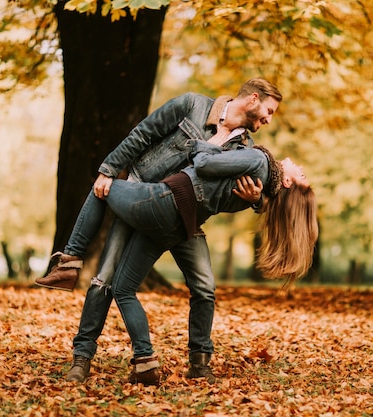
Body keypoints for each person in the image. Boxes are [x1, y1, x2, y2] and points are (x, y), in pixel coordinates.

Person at [35, 79, 283, 383]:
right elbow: (143, 134)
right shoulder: (191, 105)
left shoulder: (243, 148)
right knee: (104, 280)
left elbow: (233, 195)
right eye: (269, 111)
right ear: (253, 99)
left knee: (204, 287)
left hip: (186, 218)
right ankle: (82, 359)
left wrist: (255, 202)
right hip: (142, 193)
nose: (269, 119)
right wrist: (109, 170)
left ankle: (200, 363)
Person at [45, 142, 318, 386]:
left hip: (172, 204)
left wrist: (204, 146)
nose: (300, 165)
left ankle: (70, 260)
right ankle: (124, 359)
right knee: (117, 285)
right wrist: (258, 201)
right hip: (177, 214)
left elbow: (207, 161)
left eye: (302, 175)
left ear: (287, 184)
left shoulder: (260, 166)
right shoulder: (256, 166)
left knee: (102, 188)